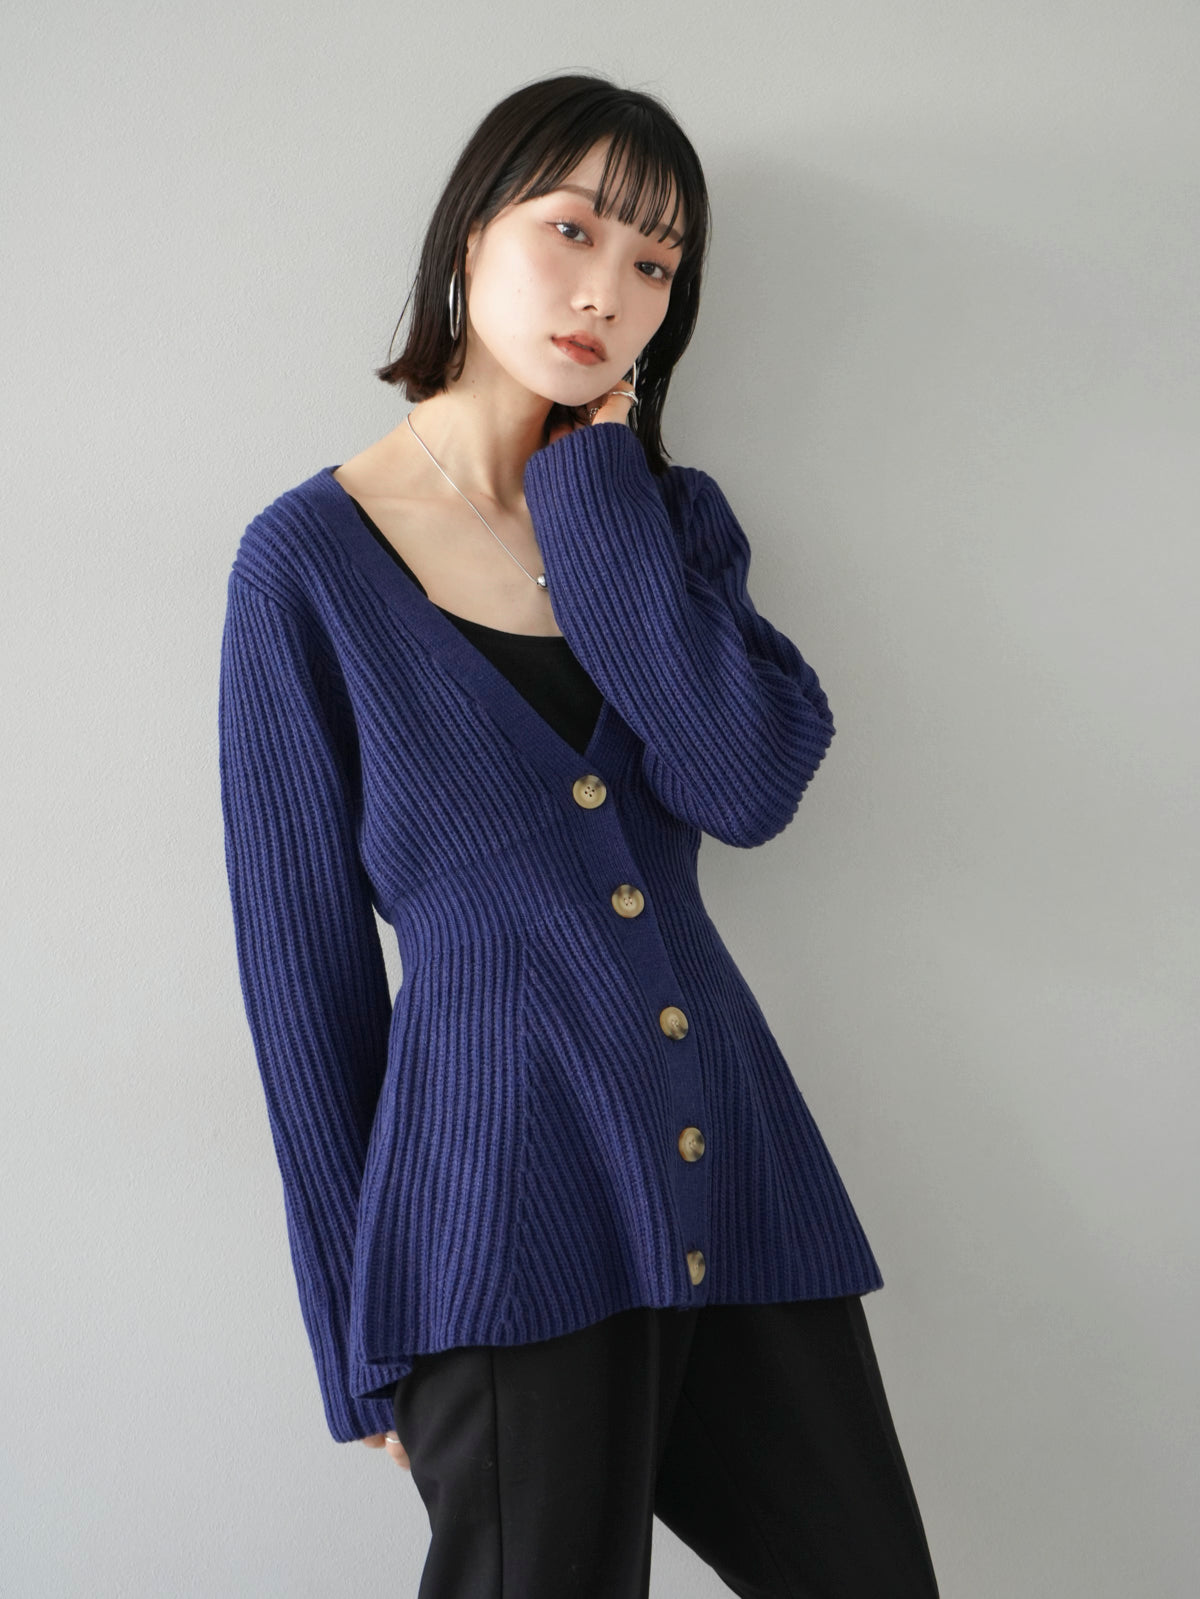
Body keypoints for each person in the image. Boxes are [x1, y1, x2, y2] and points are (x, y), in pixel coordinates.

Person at [218, 70, 941, 1598]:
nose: (609, 291)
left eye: (656, 264)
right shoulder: (304, 569)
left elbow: (745, 784)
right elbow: (305, 987)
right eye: (573, 230)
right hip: (501, 1218)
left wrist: (598, 498)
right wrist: (355, 1334)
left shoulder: (663, 524)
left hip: (734, 1180)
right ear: (470, 234)